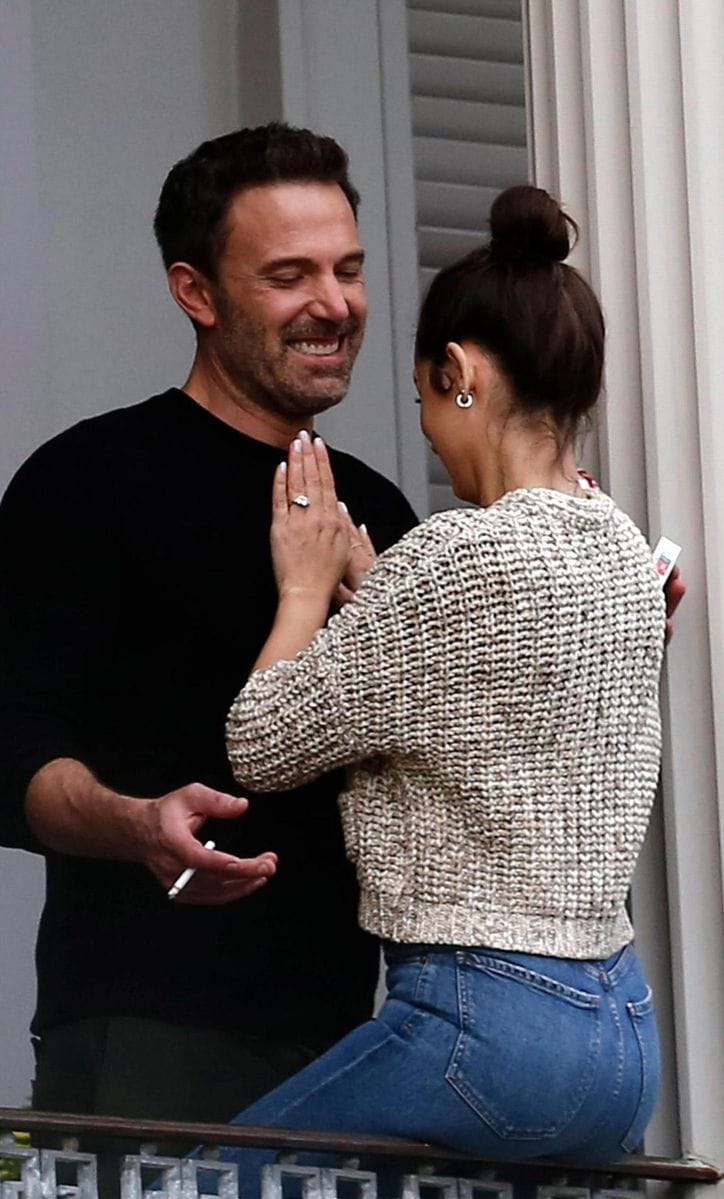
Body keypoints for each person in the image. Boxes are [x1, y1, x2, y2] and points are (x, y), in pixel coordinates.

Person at [219, 184, 667, 1180]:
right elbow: (498, 700)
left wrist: (303, 588)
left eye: (428, 397)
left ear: (458, 373)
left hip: (484, 1030)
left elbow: (263, 739)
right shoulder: (618, 548)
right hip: (623, 1038)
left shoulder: (459, 553)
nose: (427, 427)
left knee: (196, 1181)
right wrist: (382, 599)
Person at [0, 123, 417, 1124]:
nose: (334, 304)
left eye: (348, 269)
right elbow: (10, 761)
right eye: (289, 274)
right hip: (142, 1036)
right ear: (197, 290)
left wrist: (596, 636)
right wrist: (138, 822)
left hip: (354, 1042)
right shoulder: (86, 480)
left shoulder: (380, 513)